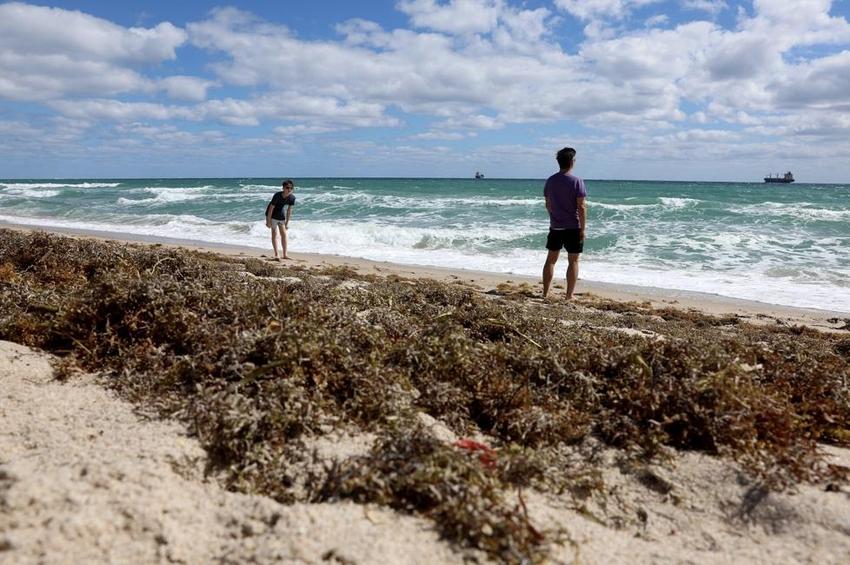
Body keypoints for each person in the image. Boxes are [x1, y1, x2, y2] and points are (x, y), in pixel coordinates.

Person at [542, 147, 587, 300]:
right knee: (573, 260)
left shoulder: (551, 180)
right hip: (573, 227)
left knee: (551, 260)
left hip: (556, 226)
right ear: (572, 162)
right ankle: (569, 295)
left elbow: (548, 204)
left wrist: (554, 217)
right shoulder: (577, 181)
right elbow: (581, 207)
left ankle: (545, 293)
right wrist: (583, 228)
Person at [265, 179, 296, 260]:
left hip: (280, 214)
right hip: (272, 215)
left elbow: (289, 210)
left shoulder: (292, 198)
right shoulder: (277, 196)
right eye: (287, 188)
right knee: (274, 234)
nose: (289, 190)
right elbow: (271, 208)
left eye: (291, 188)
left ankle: (285, 254)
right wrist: (268, 221)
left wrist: (287, 222)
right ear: (283, 188)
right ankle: (276, 254)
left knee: (284, 234)